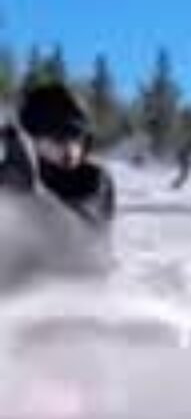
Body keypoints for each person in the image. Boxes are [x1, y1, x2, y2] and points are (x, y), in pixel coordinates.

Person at [0, 82, 117, 290]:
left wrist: (34, 196)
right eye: (56, 138)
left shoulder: (93, 179)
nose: (69, 147)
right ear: (33, 140)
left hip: (78, 296)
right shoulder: (12, 175)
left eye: (76, 137)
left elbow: (85, 235)